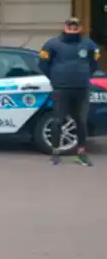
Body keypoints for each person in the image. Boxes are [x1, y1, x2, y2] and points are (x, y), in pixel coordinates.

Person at [38, 17, 100, 166]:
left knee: (81, 121)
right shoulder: (52, 44)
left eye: (75, 26)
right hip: (61, 88)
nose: (72, 29)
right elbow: (43, 64)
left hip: (81, 88)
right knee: (58, 120)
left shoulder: (89, 44)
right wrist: (55, 78)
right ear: (65, 27)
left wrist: (84, 75)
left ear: (80, 28)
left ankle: (81, 153)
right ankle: (55, 152)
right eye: (70, 26)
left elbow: (94, 63)